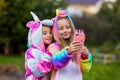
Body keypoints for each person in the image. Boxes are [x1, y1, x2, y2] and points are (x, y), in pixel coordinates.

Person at [25, 12, 73, 80]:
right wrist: (49, 55)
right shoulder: (31, 52)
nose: (49, 35)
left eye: (50, 33)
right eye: (44, 33)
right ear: (37, 35)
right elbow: (37, 71)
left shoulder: (49, 48)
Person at [48, 9, 92, 80]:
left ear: (71, 28)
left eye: (68, 27)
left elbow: (85, 69)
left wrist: (85, 56)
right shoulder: (54, 47)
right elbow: (55, 63)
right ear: (56, 31)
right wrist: (68, 52)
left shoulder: (77, 45)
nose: (65, 31)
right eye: (61, 28)